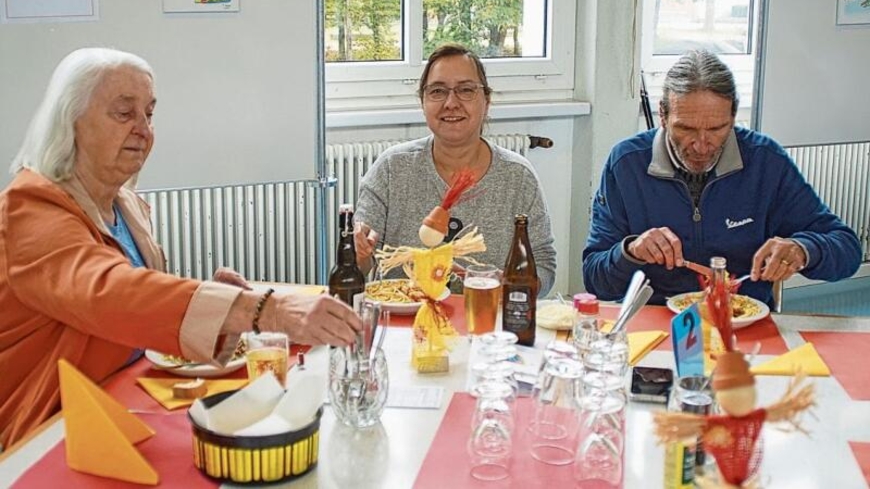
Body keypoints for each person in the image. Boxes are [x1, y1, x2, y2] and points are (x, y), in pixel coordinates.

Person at [0, 48, 361, 449]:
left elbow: (139, 305)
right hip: (52, 429)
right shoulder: (29, 208)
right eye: (124, 113)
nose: (143, 129)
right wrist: (266, 309)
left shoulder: (126, 203)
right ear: (71, 122)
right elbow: (109, 293)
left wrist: (219, 305)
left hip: (124, 398)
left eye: (149, 114)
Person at [583, 49, 861, 306]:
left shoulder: (766, 161)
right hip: (656, 322)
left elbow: (847, 250)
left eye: (717, 128)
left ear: (733, 117)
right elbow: (596, 281)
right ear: (664, 116)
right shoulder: (626, 164)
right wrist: (631, 250)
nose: (702, 145)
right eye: (687, 129)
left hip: (743, 322)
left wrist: (803, 249)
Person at [353, 44, 557, 296]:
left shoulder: (517, 177)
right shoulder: (391, 169)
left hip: (487, 322)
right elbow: (358, 267)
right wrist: (358, 255)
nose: (451, 103)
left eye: (466, 90)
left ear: (487, 101)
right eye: (438, 91)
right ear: (423, 101)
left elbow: (545, 266)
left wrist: (510, 284)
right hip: (406, 320)